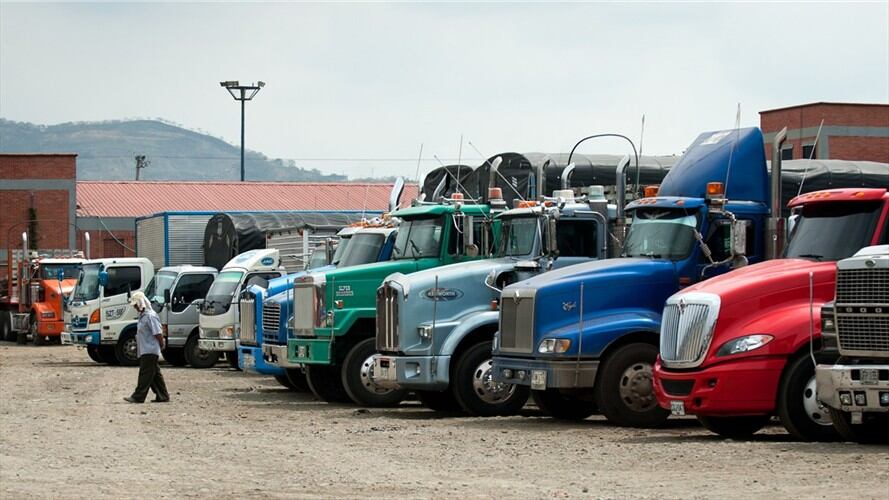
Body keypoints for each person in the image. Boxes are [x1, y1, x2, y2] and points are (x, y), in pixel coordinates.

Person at [123, 291, 170, 403]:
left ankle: (138, 396)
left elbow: (158, 332)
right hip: (146, 348)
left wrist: (161, 344)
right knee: (154, 375)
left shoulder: (150, 316)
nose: (135, 307)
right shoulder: (143, 316)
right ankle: (162, 395)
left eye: (136, 305)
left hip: (150, 349)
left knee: (145, 374)